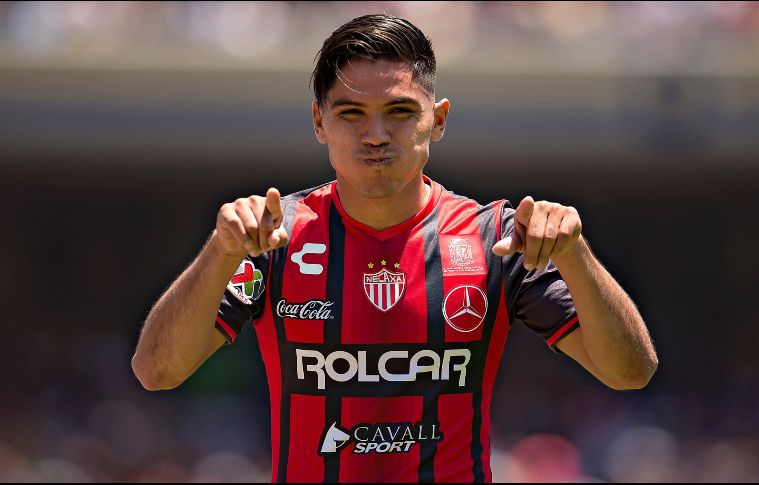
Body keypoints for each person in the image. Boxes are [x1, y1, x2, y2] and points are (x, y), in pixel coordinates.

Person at [131, 14, 658, 483]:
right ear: (318, 121)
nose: (376, 135)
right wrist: (219, 252)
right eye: (351, 113)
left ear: (439, 119)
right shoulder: (273, 238)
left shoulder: (496, 239)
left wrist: (576, 254)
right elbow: (157, 372)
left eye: (400, 111)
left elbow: (630, 372)